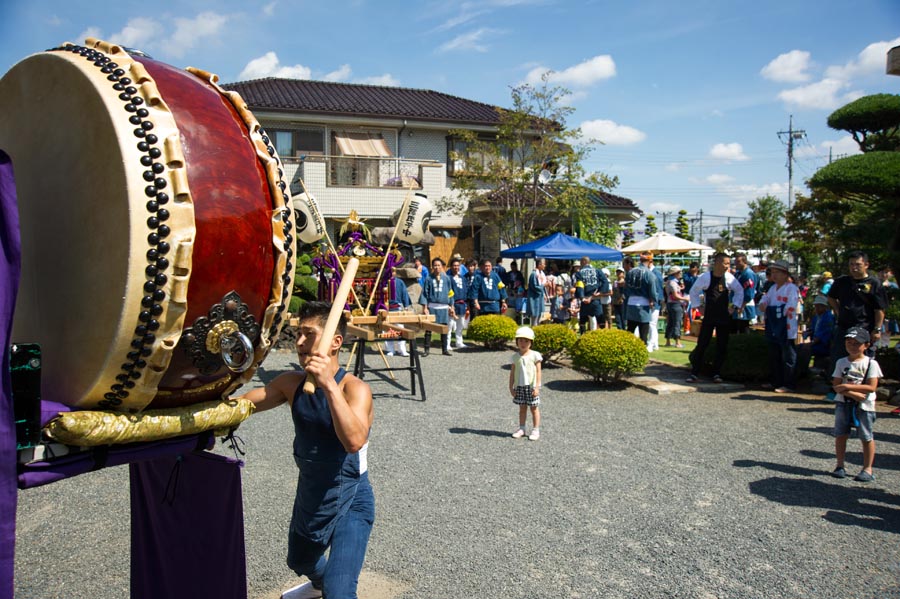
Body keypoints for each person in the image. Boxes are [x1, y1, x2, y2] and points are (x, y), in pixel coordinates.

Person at [238, 302, 374, 599]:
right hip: (312, 491)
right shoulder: (291, 384)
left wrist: (328, 385)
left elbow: (353, 441)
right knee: (299, 560)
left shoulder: (355, 389)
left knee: (340, 592)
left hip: (351, 495)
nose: (299, 342)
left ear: (335, 342)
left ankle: (333, 588)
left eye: (308, 334)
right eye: (297, 334)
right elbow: (243, 406)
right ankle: (320, 584)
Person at [830, 327, 883, 482]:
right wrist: (852, 393)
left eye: (856, 343)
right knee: (841, 434)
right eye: (849, 343)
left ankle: (868, 468)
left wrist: (848, 387)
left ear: (866, 345)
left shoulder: (871, 364)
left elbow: (871, 387)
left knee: (866, 436)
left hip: (865, 406)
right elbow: (836, 385)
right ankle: (840, 465)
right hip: (843, 403)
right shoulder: (841, 362)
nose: (852, 346)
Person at [686, 253, 743, 383]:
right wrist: (698, 307)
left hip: (723, 315)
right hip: (709, 315)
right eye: (725, 263)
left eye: (729, 263)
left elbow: (740, 291)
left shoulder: (729, 278)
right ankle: (694, 372)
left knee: (722, 345)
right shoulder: (705, 277)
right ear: (717, 263)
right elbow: (693, 291)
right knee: (702, 344)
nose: (727, 266)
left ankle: (717, 373)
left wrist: (733, 306)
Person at [826, 251, 887, 364]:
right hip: (844, 327)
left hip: (864, 326)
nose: (854, 268)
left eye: (858, 264)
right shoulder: (842, 281)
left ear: (866, 265)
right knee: (839, 360)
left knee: (862, 361)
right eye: (851, 264)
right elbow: (831, 297)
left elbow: (880, 309)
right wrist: (838, 311)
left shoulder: (874, 283)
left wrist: (877, 329)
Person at [757, 260, 800, 393]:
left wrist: (776, 310)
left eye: (777, 272)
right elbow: (765, 299)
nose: (774, 275)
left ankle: (788, 383)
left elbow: (791, 306)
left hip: (785, 326)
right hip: (773, 325)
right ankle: (775, 380)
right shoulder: (772, 288)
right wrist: (764, 304)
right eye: (773, 272)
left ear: (785, 274)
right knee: (774, 354)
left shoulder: (791, 288)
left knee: (787, 355)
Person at [509, 326, 543, 441]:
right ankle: (522, 428)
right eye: (520, 340)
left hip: (532, 386)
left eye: (526, 341)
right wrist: (511, 387)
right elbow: (512, 373)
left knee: (534, 408)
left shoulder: (535, 355)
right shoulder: (515, 357)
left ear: (531, 342)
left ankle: (535, 430)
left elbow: (538, 371)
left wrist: (537, 387)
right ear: (517, 341)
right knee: (522, 408)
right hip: (520, 386)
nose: (523, 343)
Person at [623, 253, 660, 348]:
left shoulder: (630, 272)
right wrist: (654, 300)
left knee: (630, 331)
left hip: (631, 303)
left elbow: (626, 289)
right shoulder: (649, 274)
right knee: (643, 333)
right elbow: (653, 290)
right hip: (643, 304)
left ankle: (628, 350)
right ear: (649, 261)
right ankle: (642, 353)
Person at [420, 257, 454, 356]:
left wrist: (451, 306)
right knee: (429, 329)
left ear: (442, 266)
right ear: (432, 267)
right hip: (432, 306)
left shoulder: (447, 278)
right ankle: (426, 350)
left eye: (439, 265)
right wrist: (425, 307)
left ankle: (444, 349)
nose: (437, 267)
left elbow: (450, 293)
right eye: (435, 265)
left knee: (444, 329)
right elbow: (424, 294)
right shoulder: (428, 279)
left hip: (444, 306)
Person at [802, 295, 835, 372]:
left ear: (824, 307)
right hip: (816, 343)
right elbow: (813, 329)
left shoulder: (828, 318)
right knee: (799, 348)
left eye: (818, 306)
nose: (816, 309)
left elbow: (824, 335)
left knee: (804, 350)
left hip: (824, 345)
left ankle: (804, 371)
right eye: (816, 306)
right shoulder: (816, 317)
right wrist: (808, 332)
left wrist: (810, 344)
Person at [574, 256, 605, 334]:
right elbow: (605, 282)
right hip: (595, 299)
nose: (580, 264)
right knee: (600, 319)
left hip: (585, 300)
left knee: (583, 320)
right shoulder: (598, 271)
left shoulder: (579, 273)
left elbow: (580, 286)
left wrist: (582, 298)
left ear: (584, 262)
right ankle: (604, 336)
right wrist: (600, 292)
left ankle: (583, 336)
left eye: (581, 262)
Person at [731, 252, 757, 334]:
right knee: (734, 327)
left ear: (744, 262)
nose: (736, 264)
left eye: (738, 262)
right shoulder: (738, 274)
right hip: (736, 303)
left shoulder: (748, 274)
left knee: (743, 327)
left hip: (744, 305)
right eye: (735, 262)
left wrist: (742, 305)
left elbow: (749, 292)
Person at [385, 277, 411, 357]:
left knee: (400, 329)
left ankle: (402, 349)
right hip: (386, 307)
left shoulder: (399, 282)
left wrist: (406, 306)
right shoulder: (383, 281)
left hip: (397, 307)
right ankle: (390, 349)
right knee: (388, 329)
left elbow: (404, 293)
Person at [448, 257, 470, 349]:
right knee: (450, 324)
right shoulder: (448, 278)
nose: (456, 267)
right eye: (454, 265)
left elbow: (466, 290)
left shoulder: (463, 278)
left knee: (460, 324)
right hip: (452, 304)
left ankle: (459, 342)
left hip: (462, 304)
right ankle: (447, 343)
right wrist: (450, 304)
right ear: (451, 267)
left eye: (458, 266)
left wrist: (467, 304)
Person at [664, 265, 687, 348]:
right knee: (677, 322)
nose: (681, 274)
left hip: (670, 304)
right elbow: (675, 296)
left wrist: (680, 289)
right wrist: (685, 299)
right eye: (679, 272)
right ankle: (677, 342)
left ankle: (668, 341)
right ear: (676, 273)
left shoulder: (669, 282)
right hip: (676, 304)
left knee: (670, 323)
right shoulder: (673, 283)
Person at [646, 256, 665, 351]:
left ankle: (651, 344)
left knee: (651, 324)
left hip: (654, 302)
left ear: (650, 261)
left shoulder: (655, 273)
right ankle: (655, 344)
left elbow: (658, 290)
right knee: (652, 324)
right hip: (651, 301)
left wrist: (654, 301)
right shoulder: (650, 272)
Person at [526, 258, 547, 324]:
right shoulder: (534, 274)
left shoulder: (541, 274)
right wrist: (544, 285)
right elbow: (534, 287)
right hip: (534, 299)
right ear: (539, 264)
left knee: (539, 317)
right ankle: (533, 331)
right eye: (544, 264)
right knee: (534, 317)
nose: (545, 265)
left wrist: (544, 294)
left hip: (539, 298)